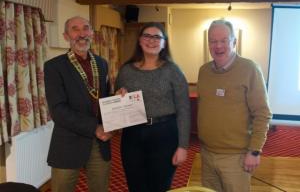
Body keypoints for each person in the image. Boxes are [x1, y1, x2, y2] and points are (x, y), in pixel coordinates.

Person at [197, 19, 272, 192]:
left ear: (234, 42)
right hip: (207, 154)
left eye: (223, 40)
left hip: (236, 157)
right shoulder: (204, 71)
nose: (218, 46)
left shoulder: (249, 69)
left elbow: (262, 113)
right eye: (213, 41)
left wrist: (254, 151)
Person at [115, 22, 191, 192]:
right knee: (136, 185)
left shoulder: (173, 70)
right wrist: (118, 96)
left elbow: (184, 110)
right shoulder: (126, 71)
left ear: (164, 43)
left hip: (164, 134)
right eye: (147, 36)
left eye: (157, 37)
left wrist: (183, 146)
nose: (152, 40)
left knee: (160, 186)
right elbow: (118, 102)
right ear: (140, 41)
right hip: (132, 135)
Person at [44, 16, 113, 192]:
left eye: (86, 28)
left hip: (100, 143)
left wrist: (117, 98)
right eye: (75, 29)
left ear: (91, 33)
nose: (81, 34)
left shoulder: (102, 63)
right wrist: (94, 127)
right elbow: (58, 110)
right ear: (66, 36)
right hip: (68, 143)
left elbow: (103, 98)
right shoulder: (54, 67)